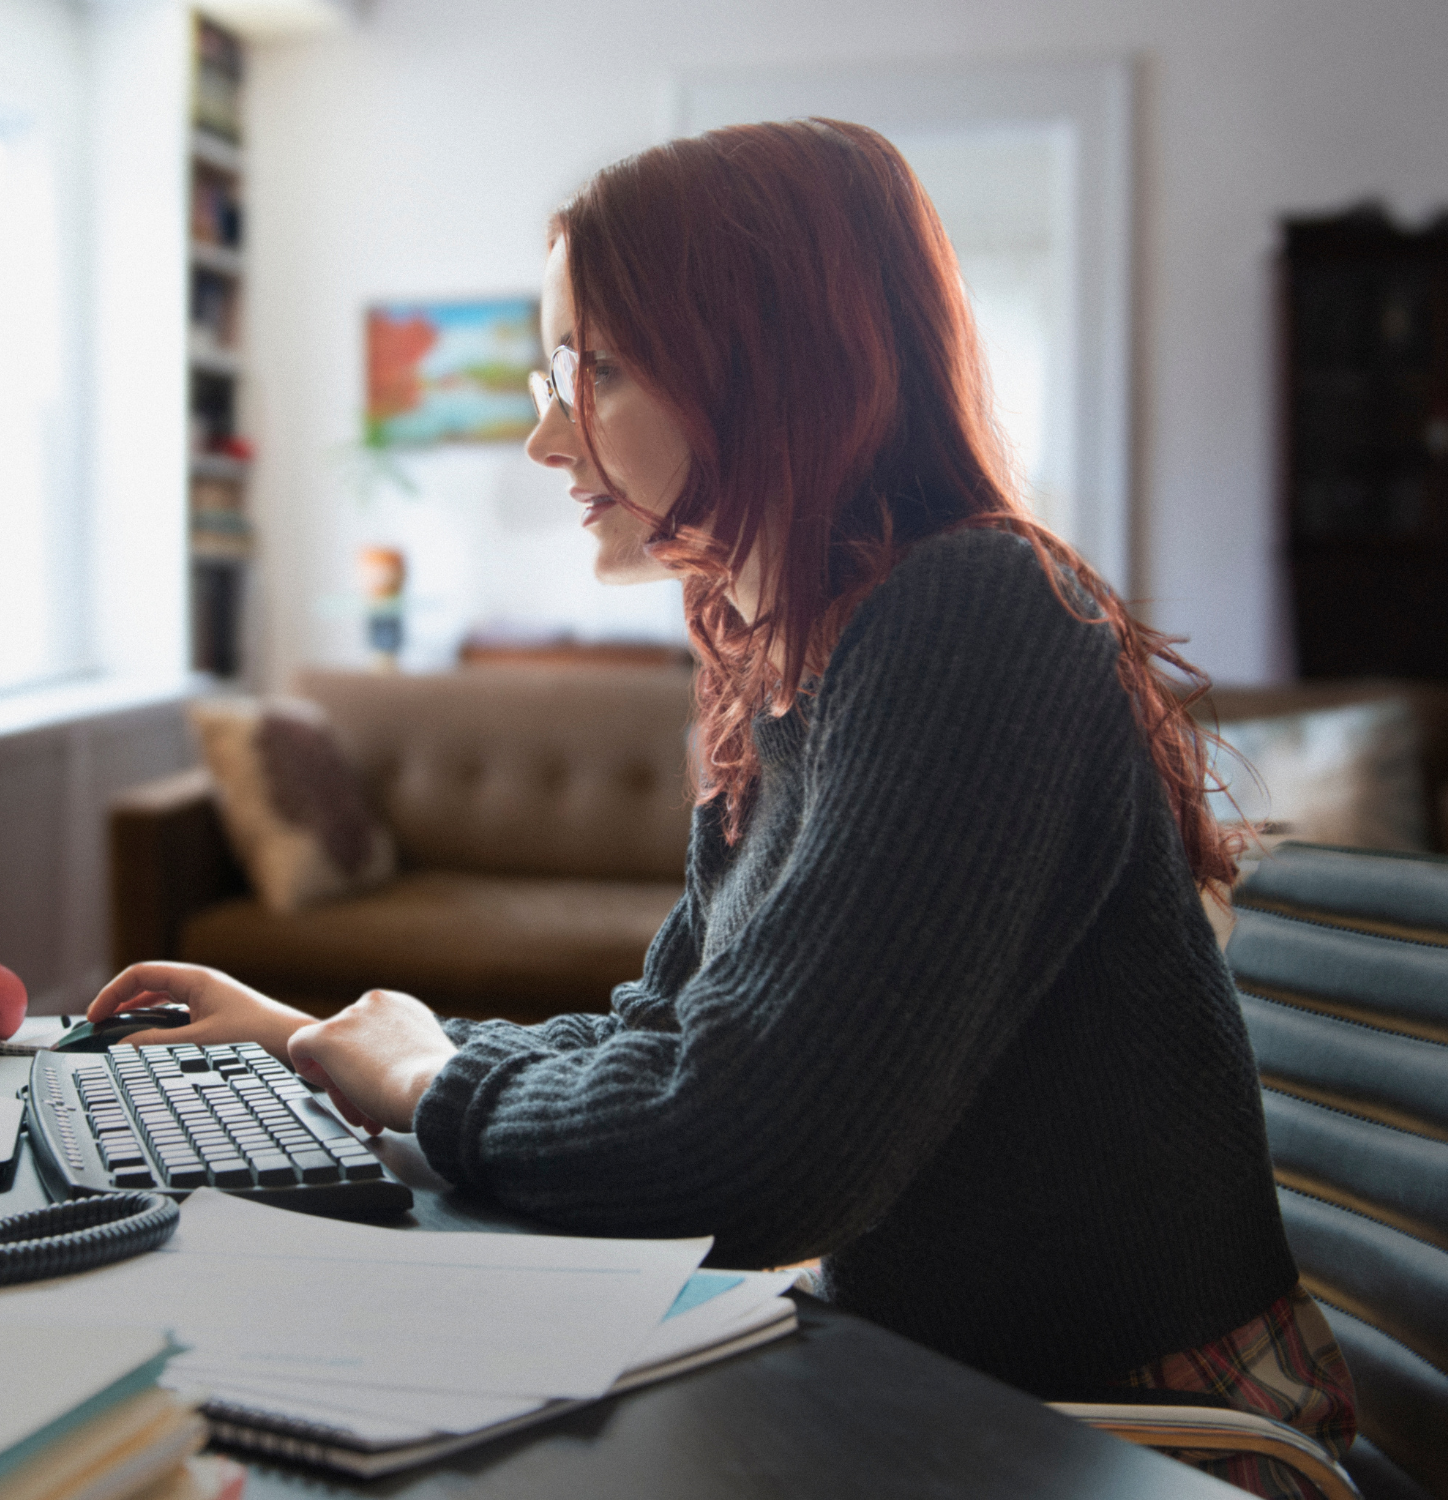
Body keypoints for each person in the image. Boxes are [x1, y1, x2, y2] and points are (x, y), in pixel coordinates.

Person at [89, 120, 1353, 1497]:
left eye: (599, 370)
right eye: (552, 371)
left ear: (774, 370)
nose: (541, 433)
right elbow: (674, 1037)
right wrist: (337, 1044)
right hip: (948, 1385)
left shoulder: (974, 616)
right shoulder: (792, 657)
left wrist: (429, 1077)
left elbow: (743, 1151)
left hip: (1145, 1441)